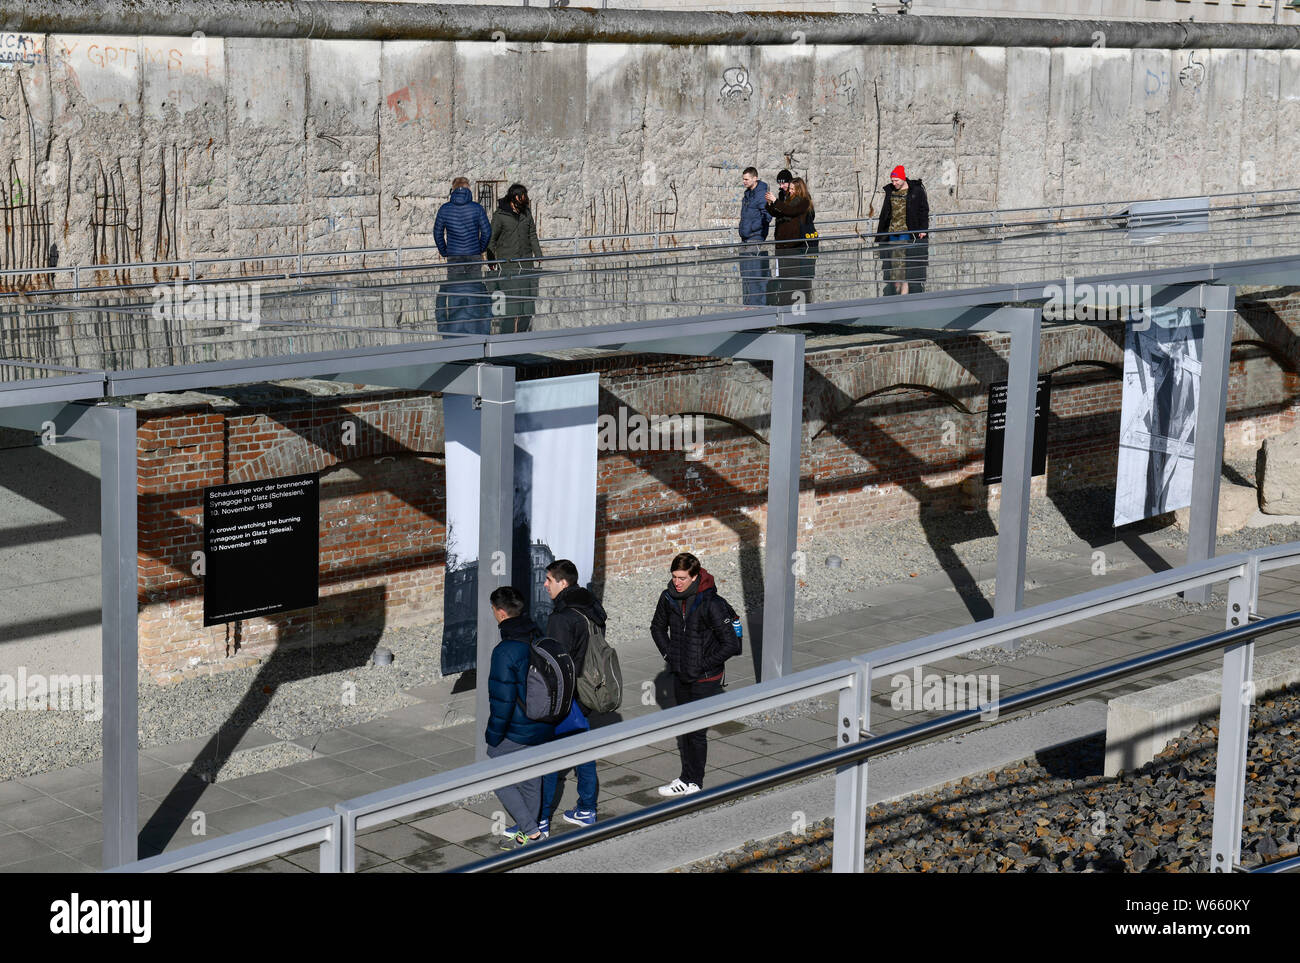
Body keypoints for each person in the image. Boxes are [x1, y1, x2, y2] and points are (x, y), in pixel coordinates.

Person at [650, 552, 743, 796]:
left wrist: (702, 664)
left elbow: (731, 644)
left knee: (697, 731)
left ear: (694, 576)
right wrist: (670, 655)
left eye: (681, 578)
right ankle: (685, 777)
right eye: (674, 577)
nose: (676, 582)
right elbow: (657, 627)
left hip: (705, 677)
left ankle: (695, 782)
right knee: (685, 726)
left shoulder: (711, 603)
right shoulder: (668, 597)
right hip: (680, 672)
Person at [484, 585, 555, 849]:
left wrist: (493, 735)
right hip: (544, 721)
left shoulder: (504, 651)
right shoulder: (538, 635)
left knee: (494, 772)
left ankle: (532, 832)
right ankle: (533, 829)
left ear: (501, 613)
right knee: (531, 776)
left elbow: (502, 701)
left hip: (517, 727)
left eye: (493, 610)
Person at [540, 558, 607, 828]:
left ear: (563, 583)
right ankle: (587, 808)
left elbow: (556, 661)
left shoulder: (561, 618)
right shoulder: (591, 606)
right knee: (582, 750)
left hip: (567, 694)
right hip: (588, 686)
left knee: (545, 758)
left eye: (549, 580)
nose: (545, 584)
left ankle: (539, 821)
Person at [434, 177, 492, 333]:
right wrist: (479, 248)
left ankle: (457, 322)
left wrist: (444, 251)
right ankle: (472, 321)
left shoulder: (445, 209)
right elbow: (487, 231)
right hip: (473, 256)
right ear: (468, 190)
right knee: (475, 289)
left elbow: (437, 232)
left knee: (456, 290)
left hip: (454, 256)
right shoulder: (477, 208)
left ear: (453, 190)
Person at [486, 183, 544, 334]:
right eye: (522, 196)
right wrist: (491, 260)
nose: (525, 200)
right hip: (508, 266)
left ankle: (523, 337)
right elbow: (491, 239)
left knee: (526, 307)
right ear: (514, 198)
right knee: (511, 308)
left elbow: (532, 234)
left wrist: (538, 254)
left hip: (526, 263)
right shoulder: (500, 216)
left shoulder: (526, 213)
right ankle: (507, 338)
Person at [874, 165, 930, 296]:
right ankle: (896, 290)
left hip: (908, 231)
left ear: (903, 178)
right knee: (893, 262)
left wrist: (923, 229)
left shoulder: (916, 191)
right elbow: (886, 212)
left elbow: (924, 211)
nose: (894, 183)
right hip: (892, 231)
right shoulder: (890, 191)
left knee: (905, 262)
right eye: (892, 180)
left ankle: (904, 293)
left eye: (896, 180)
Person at [764, 172, 813, 307]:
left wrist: (776, 202)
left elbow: (790, 211)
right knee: (785, 280)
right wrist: (770, 204)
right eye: (789, 189)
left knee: (796, 280)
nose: (790, 191)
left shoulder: (803, 201)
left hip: (795, 245)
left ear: (799, 189)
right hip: (783, 245)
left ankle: (800, 309)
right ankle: (786, 307)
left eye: (792, 189)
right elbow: (780, 211)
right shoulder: (787, 199)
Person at [737, 167, 772, 307]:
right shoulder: (748, 194)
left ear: (755, 178)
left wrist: (752, 229)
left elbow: (767, 216)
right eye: (743, 179)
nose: (744, 181)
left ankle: (758, 308)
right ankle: (748, 306)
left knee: (755, 274)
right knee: (746, 275)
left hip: (755, 237)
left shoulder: (761, 194)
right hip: (745, 238)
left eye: (746, 179)